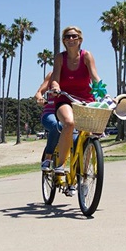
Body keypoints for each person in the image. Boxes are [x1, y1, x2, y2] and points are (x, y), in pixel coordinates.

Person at [49, 26, 101, 189]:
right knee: (69, 123)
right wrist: (55, 87)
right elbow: (55, 78)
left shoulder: (87, 56)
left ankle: (83, 177)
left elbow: (95, 77)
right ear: (64, 40)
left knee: (89, 135)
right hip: (64, 98)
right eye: (67, 36)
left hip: (85, 100)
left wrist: (104, 93)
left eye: (74, 36)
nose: (71, 39)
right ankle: (60, 166)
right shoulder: (60, 58)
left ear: (80, 39)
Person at [34, 72, 61, 171]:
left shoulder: (78, 72)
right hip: (50, 112)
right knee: (56, 126)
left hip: (72, 111)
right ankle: (48, 158)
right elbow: (39, 92)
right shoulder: (52, 75)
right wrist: (40, 98)